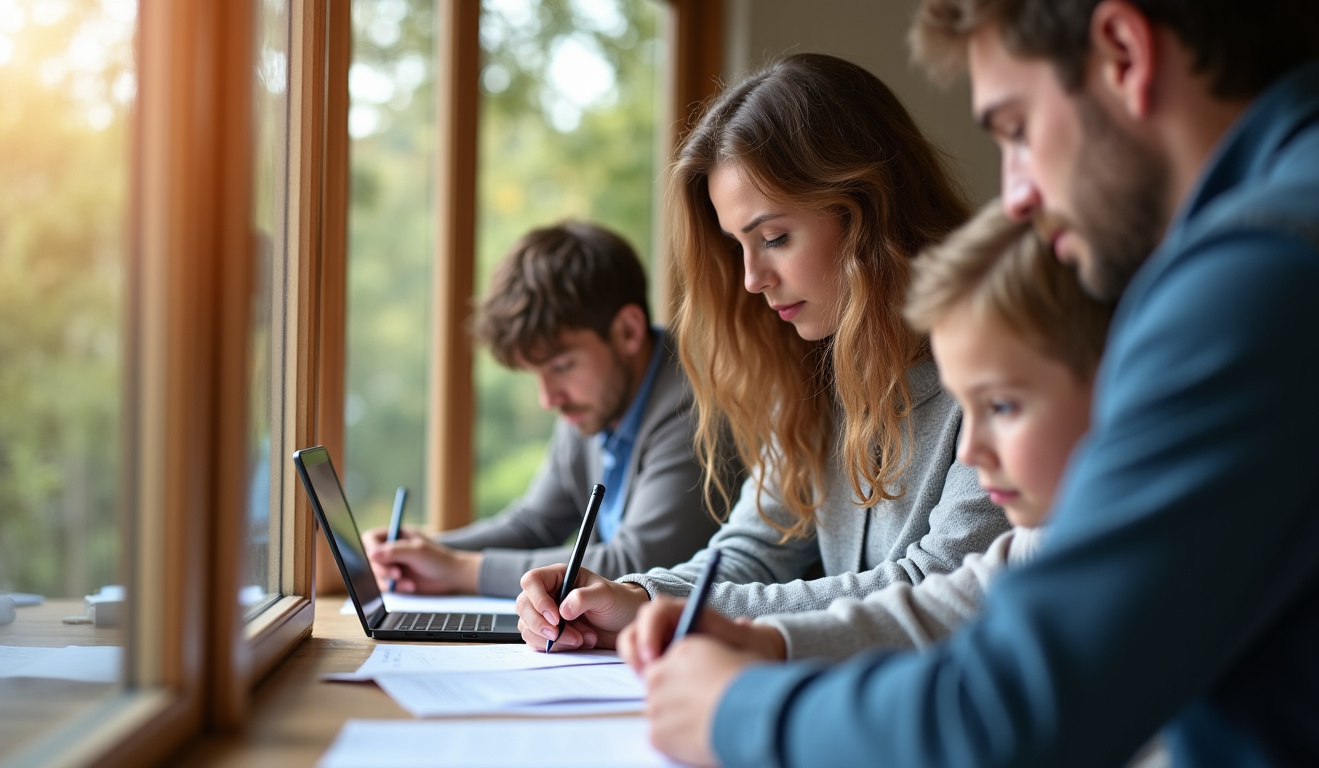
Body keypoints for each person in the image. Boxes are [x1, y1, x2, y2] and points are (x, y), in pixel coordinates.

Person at [637, 2, 1319, 767]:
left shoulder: (1262, 274)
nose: (1017, 198)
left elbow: (1017, 705)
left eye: (1014, 129)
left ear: (1125, 53)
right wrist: (763, 638)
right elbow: (988, 595)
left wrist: (735, 712)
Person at [512, 53, 1009, 653]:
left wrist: (683, 615)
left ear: (868, 213)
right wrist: (636, 595)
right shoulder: (807, 372)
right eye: (738, 245)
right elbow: (754, 549)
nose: (750, 279)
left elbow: (939, 592)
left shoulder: (1003, 371)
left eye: (774, 238)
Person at [618, 202, 1112, 667]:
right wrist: (651, 598)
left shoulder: (1110, 545)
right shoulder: (1031, 545)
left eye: (775, 237)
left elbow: (937, 613)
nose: (969, 449)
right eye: (735, 247)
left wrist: (749, 696)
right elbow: (936, 608)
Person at [362, 221, 735, 598]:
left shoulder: (696, 407)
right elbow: (533, 525)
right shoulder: (593, 404)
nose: (548, 399)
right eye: (534, 373)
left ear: (628, 331)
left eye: (560, 366)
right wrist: (423, 550)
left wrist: (460, 570)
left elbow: (637, 562)